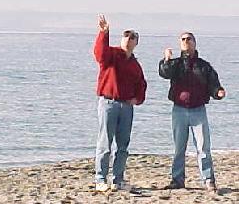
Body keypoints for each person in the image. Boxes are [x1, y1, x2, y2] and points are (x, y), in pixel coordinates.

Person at [159, 32, 225, 192]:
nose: (186, 42)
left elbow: (213, 84)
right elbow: (164, 73)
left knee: (203, 148)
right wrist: (166, 59)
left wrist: (218, 92)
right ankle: (177, 180)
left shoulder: (203, 65)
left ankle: (208, 180)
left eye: (189, 39)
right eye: (183, 39)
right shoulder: (176, 64)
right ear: (180, 43)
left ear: (194, 43)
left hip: (198, 111)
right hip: (179, 110)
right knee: (179, 148)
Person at [92, 14, 147, 191]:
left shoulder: (135, 65)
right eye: (126, 36)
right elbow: (99, 53)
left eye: (132, 37)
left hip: (126, 107)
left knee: (122, 145)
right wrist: (103, 32)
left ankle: (117, 179)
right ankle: (101, 179)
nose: (128, 39)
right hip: (108, 103)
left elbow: (141, 84)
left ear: (136, 42)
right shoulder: (112, 55)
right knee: (104, 143)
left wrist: (137, 99)